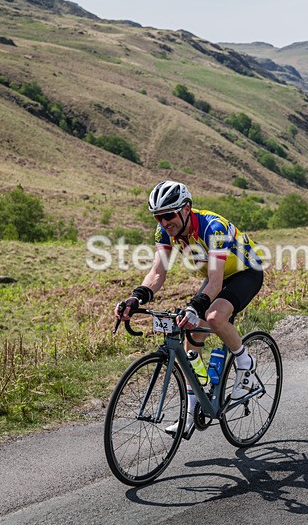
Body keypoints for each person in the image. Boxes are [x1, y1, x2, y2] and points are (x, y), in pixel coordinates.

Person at [114, 180, 265, 435]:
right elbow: (158, 272)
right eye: (158, 217)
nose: (164, 222)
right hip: (216, 276)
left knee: (214, 317)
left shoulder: (213, 227)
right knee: (192, 333)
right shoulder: (164, 232)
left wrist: (195, 306)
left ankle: (245, 361)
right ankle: (192, 408)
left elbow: (216, 281)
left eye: (169, 215)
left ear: (186, 209)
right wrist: (135, 299)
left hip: (245, 273)